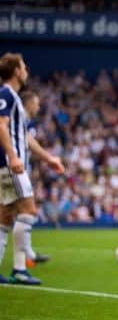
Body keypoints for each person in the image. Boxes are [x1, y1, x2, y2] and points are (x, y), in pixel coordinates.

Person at [0, 53, 64, 285]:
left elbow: (25, 137)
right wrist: (12, 156)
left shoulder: (13, 97)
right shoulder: (7, 94)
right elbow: (1, 125)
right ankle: (19, 269)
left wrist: (49, 159)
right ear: (17, 71)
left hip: (10, 165)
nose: (26, 70)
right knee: (29, 211)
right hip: (12, 166)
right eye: (24, 66)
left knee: (5, 217)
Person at [20, 91, 52, 267]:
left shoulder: (28, 122)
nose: (38, 107)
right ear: (28, 104)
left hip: (21, 168)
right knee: (26, 212)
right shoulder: (16, 116)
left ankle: (26, 256)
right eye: (36, 103)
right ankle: (25, 259)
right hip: (13, 168)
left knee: (21, 214)